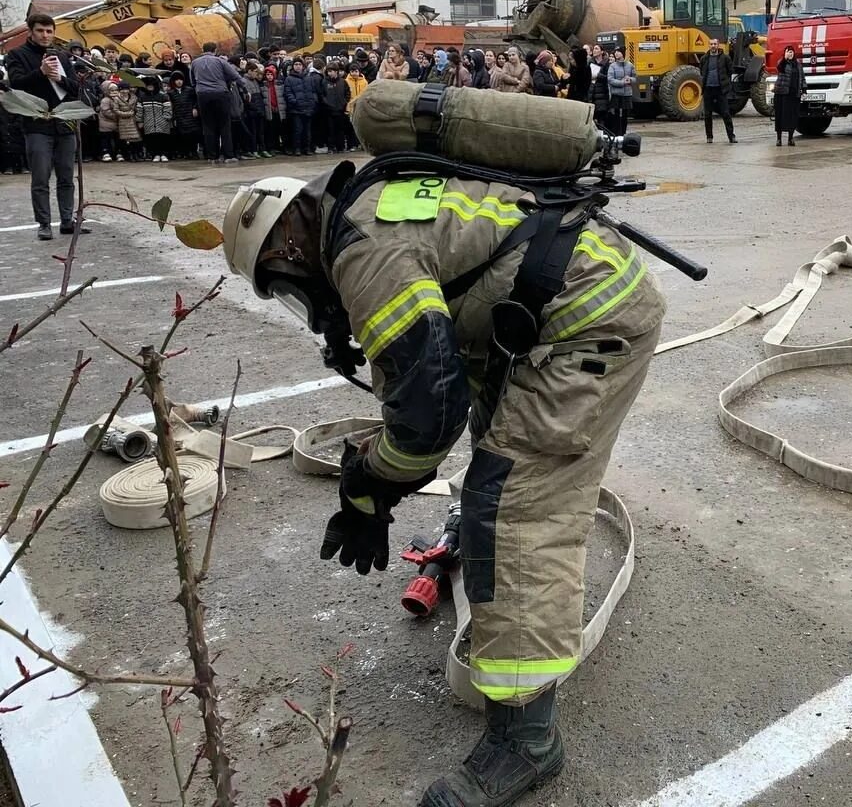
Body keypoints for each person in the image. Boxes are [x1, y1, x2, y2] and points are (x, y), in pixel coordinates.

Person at [220, 127, 665, 807]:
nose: (304, 307)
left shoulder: (362, 255)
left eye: (285, 289)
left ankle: (527, 742)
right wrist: (379, 487)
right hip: (552, 309)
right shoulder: (371, 206)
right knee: (498, 452)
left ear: (287, 248)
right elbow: (438, 369)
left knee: (514, 507)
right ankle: (487, 564)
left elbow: (428, 418)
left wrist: (369, 484)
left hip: (588, 320)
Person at [4, 12, 82, 239]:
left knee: (67, 175)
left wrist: (59, 78)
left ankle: (67, 220)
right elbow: (16, 85)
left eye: (49, 31)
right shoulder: (17, 55)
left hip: (64, 123)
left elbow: (74, 88)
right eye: (40, 30)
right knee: (40, 177)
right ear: (31, 32)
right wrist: (40, 73)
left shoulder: (63, 57)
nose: (45, 35)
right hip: (36, 124)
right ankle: (44, 223)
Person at [191, 40, 247, 164]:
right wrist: (244, 87)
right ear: (215, 50)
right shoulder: (220, 61)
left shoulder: (194, 63)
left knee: (208, 126)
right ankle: (228, 155)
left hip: (202, 95)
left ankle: (212, 156)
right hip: (220, 94)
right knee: (224, 125)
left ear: (203, 49)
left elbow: (192, 81)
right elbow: (235, 76)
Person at [699, 38, 737, 144]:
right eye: (711, 44)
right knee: (707, 114)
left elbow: (730, 71)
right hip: (708, 89)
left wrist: (725, 84)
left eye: (715, 44)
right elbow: (702, 71)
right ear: (709, 45)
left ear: (718, 45)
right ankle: (709, 137)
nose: (713, 46)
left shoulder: (725, 58)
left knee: (725, 113)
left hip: (721, 90)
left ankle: (731, 137)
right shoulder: (704, 58)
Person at [772, 45, 806, 146]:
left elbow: (802, 77)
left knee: (792, 117)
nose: (790, 54)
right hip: (782, 94)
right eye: (788, 52)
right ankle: (779, 139)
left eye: (791, 52)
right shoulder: (781, 62)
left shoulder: (798, 64)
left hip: (794, 95)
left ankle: (790, 139)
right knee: (780, 116)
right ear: (785, 53)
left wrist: (804, 88)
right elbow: (779, 69)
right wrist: (784, 58)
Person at [137, 76, 173, 162]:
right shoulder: (142, 97)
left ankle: (164, 154)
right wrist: (140, 120)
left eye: (151, 85)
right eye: (147, 85)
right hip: (148, 122)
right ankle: (155, 154)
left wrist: (166, 118)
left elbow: (168, 108)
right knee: (152, 139)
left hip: (162, 122)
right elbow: (139, 110)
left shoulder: (163, 95)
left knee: (163, 139)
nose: (150, 87)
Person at [320, 64, 352, 154]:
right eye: (328, 71)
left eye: (331, 71)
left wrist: (344, 102)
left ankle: (340, 147)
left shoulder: (343, 82)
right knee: (330, 130)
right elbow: (322, 95)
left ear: (336, 71)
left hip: (340, 110)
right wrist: (327, 104)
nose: (330, 73)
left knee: (340, 130)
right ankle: (331, 147)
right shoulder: (324, 82)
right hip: (329, 111)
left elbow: (347, 93)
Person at [168, 73, 200, 159]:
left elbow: (196, 100)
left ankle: (194, 152)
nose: (179, 81)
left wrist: (195, 108)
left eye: (180, 79)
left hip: (190, 115)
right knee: (182, 135)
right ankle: (186, 152)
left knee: (193, 134)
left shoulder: (189, 90)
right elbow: (171, 106)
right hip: (179, 116)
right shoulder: (170, 93)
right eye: (176, 80)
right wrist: (173, 117)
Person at [606, 47, 635, 135]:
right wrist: (622, 83)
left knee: (625, 116)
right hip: (616, 94)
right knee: (616, 115)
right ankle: (616, 133)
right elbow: (610, 79)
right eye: (616, 52)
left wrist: (630, 79)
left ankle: (623, 133)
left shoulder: (630, 65)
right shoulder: (612, 66)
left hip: (627, 94)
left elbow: (635, 78)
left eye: (618, 52)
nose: (616, 53)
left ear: (623, 53)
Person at [111, 84, 144, 162]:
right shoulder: (117, 99)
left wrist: (135, 112)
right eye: (122, 89)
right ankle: (129, 155)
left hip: (133, 120)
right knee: (127, 139)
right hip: (123, 121)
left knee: (135, 139)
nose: (125, 91)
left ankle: (136, 154)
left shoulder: (134, 97)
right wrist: (127, 114)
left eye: (126, 89)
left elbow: (137, 108)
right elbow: (115, 110)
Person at [263, 65, 288, 154]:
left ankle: (284, 147)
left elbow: (282, 97)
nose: (269, 76)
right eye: (267, 74)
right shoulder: (263, 86)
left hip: (280, 110)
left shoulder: (279, 85)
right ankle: (272, 147)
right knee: (271, 131)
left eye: (271, 74)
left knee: (282, 130)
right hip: (270, 111)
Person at [344, 62, 367, 149]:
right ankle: (351, 144)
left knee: (360, 127)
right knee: (351, 128)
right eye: (352, 71)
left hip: (360, 106)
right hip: (350, 107)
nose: (354, 73)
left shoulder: (364, 81)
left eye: (356, 71)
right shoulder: (346, 81)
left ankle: (360, 144)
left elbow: (365, 93)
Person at [97, 81, 120, 162]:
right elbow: (106, 111)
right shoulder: (105, 100)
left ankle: (117, 153)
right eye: (112, 90)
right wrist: (117, 116)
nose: (114, 92)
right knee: (105, 139)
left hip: (116, 124)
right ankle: (106, 153)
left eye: (116, 90)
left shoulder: (118, 99)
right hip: (106, 124)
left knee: (117, 139)